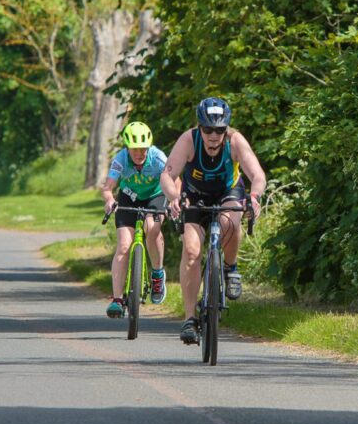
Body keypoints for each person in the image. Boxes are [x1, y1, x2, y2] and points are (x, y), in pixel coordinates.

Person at [160, 97, 266, 344]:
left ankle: (230, 268)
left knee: (230, 221)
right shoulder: (189, 140)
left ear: (226, 129)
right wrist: (174, 196)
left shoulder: (235, 141)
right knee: (191, 250)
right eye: (208, 129)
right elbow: (168, 175)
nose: (213, 136)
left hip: (228, 192)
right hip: (194, 195)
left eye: (219, 130)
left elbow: (257, 174)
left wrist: (254, 196)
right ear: (200, 127)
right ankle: (189, 319)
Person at [101, 121, 170, 318]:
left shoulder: (158, 158)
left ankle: (157, 273)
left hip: (155, 196)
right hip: (128, 197)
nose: (140, 153)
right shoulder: (121, 159)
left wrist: (175, 201)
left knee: (152, 227)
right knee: (123, 245)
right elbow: (108, 187)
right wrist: (110, 200)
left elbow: (173, 180)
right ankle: (117, 299)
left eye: (143, 149)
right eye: (135, 150)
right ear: (127, 148)